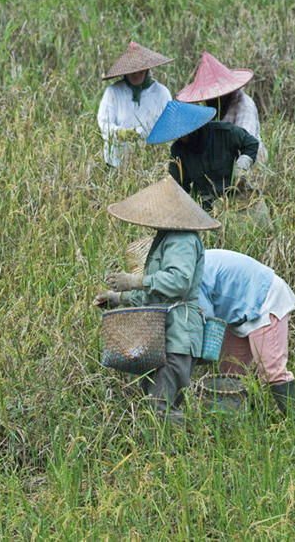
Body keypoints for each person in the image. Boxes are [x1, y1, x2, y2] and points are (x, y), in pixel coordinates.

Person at [95, 176, 221, 424]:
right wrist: (118, 298)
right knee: (157, 402)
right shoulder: (166, 237)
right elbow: (157, 292)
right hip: (164, 333)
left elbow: (178, 282)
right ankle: (168, 456)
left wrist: (136, 281)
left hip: (178, 334)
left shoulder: (182, 239)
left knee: (161, 406)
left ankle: (173, 458)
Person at [198, 249, 295, 416]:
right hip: (236, 310)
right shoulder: (190, 263)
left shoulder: (192, 272)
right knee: (230, 371)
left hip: (264, 299)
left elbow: (206, 319)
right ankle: (239, 423)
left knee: (272, 370)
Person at [147, 100, 259, 210]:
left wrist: (241, 167)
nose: (182, 138)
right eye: (178, 135)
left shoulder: (224, 132)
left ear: (195, 128)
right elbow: (179, 186)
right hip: (206, 205)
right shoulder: (178, 150)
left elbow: (251, 143)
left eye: (184, 134)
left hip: (235, 195)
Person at [177, 51, 268, 163]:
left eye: (214, 97)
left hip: (246, 163)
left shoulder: (244, 106)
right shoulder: (213, 108)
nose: (209, 102)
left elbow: (246, 146)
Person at [97, 42, 173, 167]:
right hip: (117, 161)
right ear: (125, 72)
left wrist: (148, 138)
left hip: (152, 160)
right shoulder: (113, 92)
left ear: (147, 68)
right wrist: (122, 133)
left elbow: (169, 126)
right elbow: (104, 124)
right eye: (132, 71)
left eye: (140, 70)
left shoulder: (161, 93)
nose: (136, 74)